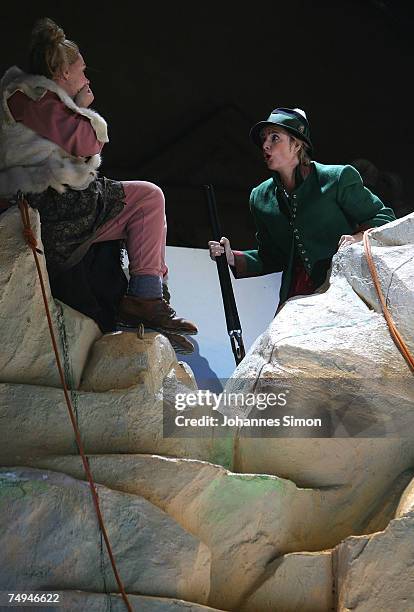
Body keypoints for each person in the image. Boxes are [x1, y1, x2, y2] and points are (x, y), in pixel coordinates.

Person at [0, 18, 196, 353]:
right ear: (63, 73)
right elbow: (87, 141)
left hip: (56, 204)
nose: (86, 78)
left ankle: (147, 296)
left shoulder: (37, 99)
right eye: (82, 70)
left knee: (138, 207)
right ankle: (145, 300)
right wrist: (84, 106)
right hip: (53, 209)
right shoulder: (33, 98)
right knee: (148, 198)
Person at [208, 107, 396, 309]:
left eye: (274, 138)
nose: (265, 145)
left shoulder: (336, 179)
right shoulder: (260, 197)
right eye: (264, 139)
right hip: (296, 295)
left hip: (344, 290)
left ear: (297, 144)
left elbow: (384, 218)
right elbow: (272, 256)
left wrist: (358, 239)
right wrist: (232, 257)